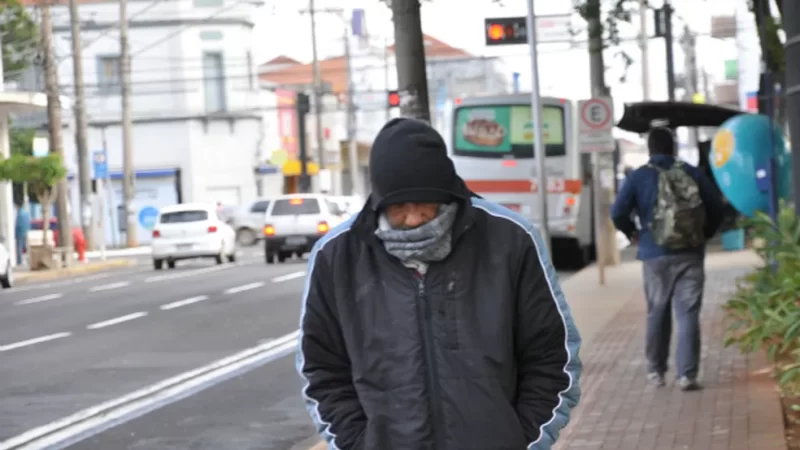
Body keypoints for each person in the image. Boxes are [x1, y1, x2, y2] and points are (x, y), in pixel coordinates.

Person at [297, 118, 582, 450]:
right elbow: (322, 371)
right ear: (379, 201)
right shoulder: (337, 257)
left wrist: (525, 440)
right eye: (400, 207)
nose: (415, 218)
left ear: (448, 193)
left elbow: (553, 357)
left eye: (426, 203)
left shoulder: (510, 241)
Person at [611, 127, 724, 391]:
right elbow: (716, 205)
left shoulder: (639, 177)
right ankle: (687, 375)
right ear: (673, 148)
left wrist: (633, 234)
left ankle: (656, 371)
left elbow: (617, 212)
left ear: (649, 149)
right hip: (691, 253)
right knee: (688, 314)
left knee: (657, 311)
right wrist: (703, 234)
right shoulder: (691, 172)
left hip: (654, 254)